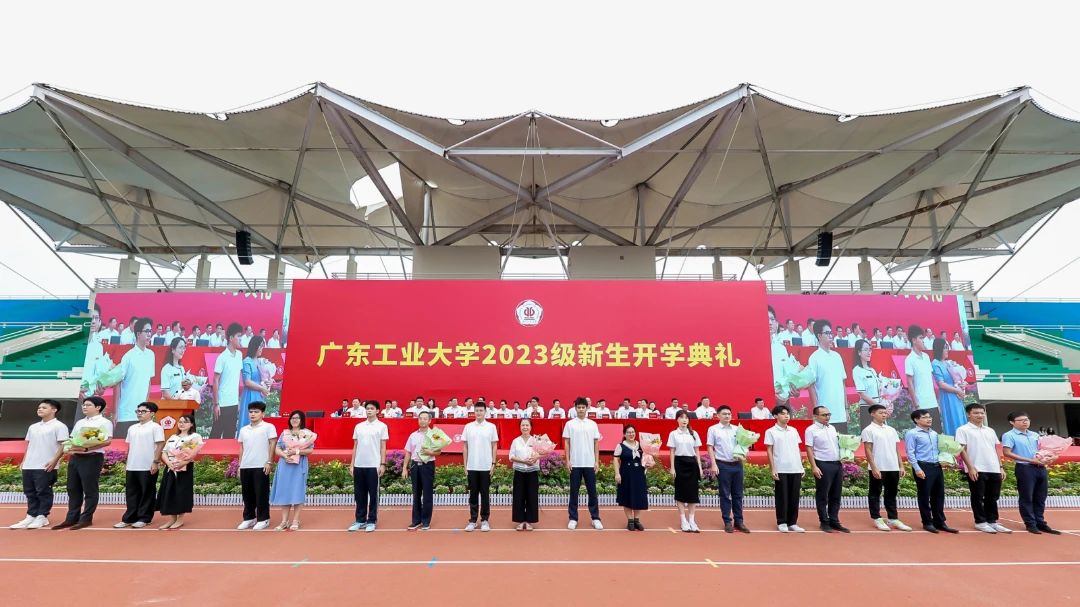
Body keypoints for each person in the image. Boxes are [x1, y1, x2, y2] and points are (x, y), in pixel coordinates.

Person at [53, 397, 113, 530]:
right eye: (83, 405)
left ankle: (86, 518)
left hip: (92, 457)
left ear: (98, 407)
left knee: (89, 489)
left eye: (88, 405)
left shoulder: (105, 422)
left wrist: (87, 448)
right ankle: (71, 518)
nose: (84, 407)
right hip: (75, 457)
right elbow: (72, 438)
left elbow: (107, 441)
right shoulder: (80, 422)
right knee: (73, 488)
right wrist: (69, 448)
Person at [10, 400, 68, 530]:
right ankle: (31, 515)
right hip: (29, 464)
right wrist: (24, 461)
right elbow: (29, 445)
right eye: (39, 407)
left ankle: (42, 516)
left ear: (54, 410)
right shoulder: (33, 427)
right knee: (29, 492)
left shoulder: (59, 426)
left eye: (44, 407)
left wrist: (54, 461)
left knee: (43, 491)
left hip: (45, 465)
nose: (40, 409)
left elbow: (63, 445)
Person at [1002, 411, 1060, 534]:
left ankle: (1040, 522)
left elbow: (1043, 450)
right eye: (1021, 420)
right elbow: (1007, 452)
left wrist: (1051, 457)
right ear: (1012, 422)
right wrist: (1029, 460)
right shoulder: (1009, 435)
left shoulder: (1035, 435)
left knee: (1041, 496)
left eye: (1027, 419)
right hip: (1025, 468)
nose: (1025, 422)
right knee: (1027, 496)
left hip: (1041, 467)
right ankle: (1030, 523)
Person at [956, 404, 1010, 533]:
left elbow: (995, 449)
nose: (980, 415)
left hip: (994, 468)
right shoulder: (963, 430)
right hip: (976, 468)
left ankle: (992, 521)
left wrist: (1000, 467)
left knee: (993, 496)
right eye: (976, 413)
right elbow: (962, 450)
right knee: (978, 496)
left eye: (982, 413)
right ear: (968, 414)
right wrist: (970, 468)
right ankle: (980, 522)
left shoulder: (990, 430)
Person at [905, 409, 958, 533]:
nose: (929, 419)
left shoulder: (934, 433)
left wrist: (949, 460)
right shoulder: (912, 433)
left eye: (929, 417)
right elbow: (910, 453)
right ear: (916, 420)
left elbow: (941, 451)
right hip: (923, 466)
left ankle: (940, 522)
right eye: (924, 417)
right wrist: (917, 469)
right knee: (924, 495)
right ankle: (927, 522)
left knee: (938, 495)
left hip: (937, 466)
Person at [114, 402, 165, 529]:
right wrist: (127, 462)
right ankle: (129, 518)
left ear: (152, 413)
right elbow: (130, 446)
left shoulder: (155, 427)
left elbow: (160, 445)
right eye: (138, 411)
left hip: (148, 465)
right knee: (131, 492)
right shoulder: (132, 428)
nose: (139, 413)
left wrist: (155, 462)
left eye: (143, 411)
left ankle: (144, 518)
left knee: (147, 492)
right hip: (132, 465)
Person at [862, 404, 911, 531]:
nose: (884, 415)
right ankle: (876, 518)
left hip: (893, 467)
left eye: (885, 413)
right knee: (875, 493)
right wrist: (874, 467)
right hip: (878, 467)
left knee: (891, 493)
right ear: (872, 414)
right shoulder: (868, 430)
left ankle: (893, 518)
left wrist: (901, 466)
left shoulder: (891, 430)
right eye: (880, 412)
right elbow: (868, 450)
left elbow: (896, 449)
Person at [804, 406, 848, 533]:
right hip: (822, 463)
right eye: (824, 415)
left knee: (836, 494)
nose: (827, 417)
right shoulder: (811, 430)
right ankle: (824, 521)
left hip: (837, 464)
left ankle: (834, 520)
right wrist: (814, 466)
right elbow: (809, 448)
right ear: (815, 416)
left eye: (829, 414)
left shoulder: (832, 428)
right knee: (823, 495)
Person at [707, 405, 749, 533]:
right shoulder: (713, 429)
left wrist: (744, 453)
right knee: (725, 495)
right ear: (718, 415)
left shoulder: (737, 429)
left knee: (738, 494)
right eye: (724, 414)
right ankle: (727, 521)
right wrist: (713, 464)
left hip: (737, 464)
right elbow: (710, 447)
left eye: (729, 414)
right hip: (723, 465)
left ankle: (739, 521)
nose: (727, 416)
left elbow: (743, 444)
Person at [270, 410, 315, 530]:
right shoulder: (285, 433)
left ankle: (296, 520)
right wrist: (285, 456)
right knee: (285, 491)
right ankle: (284, 521)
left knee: (297, 491)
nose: (294, 420)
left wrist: (297, 451)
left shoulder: (307, 434)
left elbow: (310, 450)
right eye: (292, 418)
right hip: (285, 464)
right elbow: (277, 448)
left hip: (299, 465)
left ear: (302, 420)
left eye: (297, 418)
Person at [348, 401, 389, 532]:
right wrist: (352, 464)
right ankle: (360, 520)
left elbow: (383, 447)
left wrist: (382, 464)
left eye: (372, 408)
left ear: (377, 411)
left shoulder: (382, 426)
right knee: (359, 494)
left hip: (373, 465)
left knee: (373, 494)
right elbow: (355, 446)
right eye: (367, 408)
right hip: (359, 464)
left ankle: (371, 520)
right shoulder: (359, 426)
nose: (369, 410)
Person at [236, 401, 277, 531]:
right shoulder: (243, 429)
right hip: (246, 465)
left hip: (261, 465)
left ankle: (263, 519)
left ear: (262, 413)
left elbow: (273, 444)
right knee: (247, 494)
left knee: (261, 493)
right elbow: (242, 448)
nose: (253, 414)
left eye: (256, 412)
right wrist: (240, 465)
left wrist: (269, 462)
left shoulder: (268, 427)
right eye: (251, 412)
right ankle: (249, 518)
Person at [563, 396, 602, 530]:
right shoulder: (570, 424)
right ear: (575, 408)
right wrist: (568, 460)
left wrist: (596, 461)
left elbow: (596, 443)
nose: (581, 409)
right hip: (575, 463)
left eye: (583, 407)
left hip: (589, 463)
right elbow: (567, 443)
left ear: (586, 408)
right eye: (578, 407)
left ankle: (595, 518)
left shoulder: (592, 424)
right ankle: (573, 518)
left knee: (592, 492)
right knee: (574, 492)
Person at [113, 317, 156, 435]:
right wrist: (116, 412)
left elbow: (148, 381)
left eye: (150, 331)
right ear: (138, 334)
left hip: (142, 414)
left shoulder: (151, 355)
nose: (149, 334)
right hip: (126, 414)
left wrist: (146, 406)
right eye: (146, 331)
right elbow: (117, 382)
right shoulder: (128, 356)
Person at [765, 405, 804, 533]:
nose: (786, 416)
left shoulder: (793, 430)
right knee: (782, 496)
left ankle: (793, 522)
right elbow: (769, 451)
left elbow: (797, 449)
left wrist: (801, 466)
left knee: (794, 497)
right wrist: (773, 469)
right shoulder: (771, 431)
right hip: (781, 468)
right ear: (775, 416)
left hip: (795, 468)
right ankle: (782, 522)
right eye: (783, 413)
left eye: (787, 413)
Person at [157, 414, 199, 530]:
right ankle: (172, 519)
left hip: (184, 468)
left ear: (191, 424)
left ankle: (180, 519)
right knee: (169, 492)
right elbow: (164, 452)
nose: (182, 424)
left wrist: (182, 463)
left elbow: (192, 454)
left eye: (185, 422)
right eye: (180, 422)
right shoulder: (173, 436)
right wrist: (168, 463)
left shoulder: (194, 437)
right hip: (170, 468)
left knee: (181, 493)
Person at [462, 401, 498, 532]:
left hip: (486, 466)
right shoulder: (468, 427)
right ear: (474, 412)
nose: (479, 413)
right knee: (473, 494)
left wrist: (493, 464)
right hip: (472, 466)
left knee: (485, 494)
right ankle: (472, 520)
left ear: (485, 412)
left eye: (481, 410)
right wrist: (465, 465)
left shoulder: (491, 427)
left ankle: (484, 520)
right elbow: (465, 447)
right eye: (476, 411)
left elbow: (494, 446)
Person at [808, 320, 849, 433]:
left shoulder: (837, 356)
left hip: (840, 413)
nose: (831, 336)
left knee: (842, 443)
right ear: (819, 336)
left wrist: (846, 409)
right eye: (827, 333)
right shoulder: (814, 358)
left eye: (831, 333)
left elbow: (843, 383)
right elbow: (811, 385)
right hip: (824, 414)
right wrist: (817, 411)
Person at [403, 411, 441, 530]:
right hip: (415, 466)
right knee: (416, 494)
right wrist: (404, 468)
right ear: (418, 420)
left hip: (427, 465)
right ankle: (416, 520)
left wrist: (430, 452)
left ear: (429, 421)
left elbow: (439, 451)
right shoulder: (413, 435)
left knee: (427, 494)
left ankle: (426, 521)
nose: (422, 421)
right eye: (420, 418)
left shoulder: (434, 434)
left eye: (425, 419)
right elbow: (408, 452)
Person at [668, 409, 703, 532]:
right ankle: (683, 520)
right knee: (680, 493)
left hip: (692, 464)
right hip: (679, 463)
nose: (684, 420)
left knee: (693, 494)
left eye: (686, 418)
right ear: (677, 419)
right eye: (682, 417)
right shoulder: (673, 434)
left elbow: (697, 451)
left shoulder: (694, 433)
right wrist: (672, 468)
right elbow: (672, 451)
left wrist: (700, 467)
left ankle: (692, 520)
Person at [211, 323, 245, 439]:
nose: (240, 339)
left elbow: (237, 379)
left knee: (229, 436)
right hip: (222, 403)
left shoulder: (239, 355)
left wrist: (238, 400)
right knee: (215, 435)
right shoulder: (222, 357)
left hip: (234, 403)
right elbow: (215, 381)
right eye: (238, 336)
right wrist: (216, 404)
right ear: (230, 338)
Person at [613, 424, 648, 531]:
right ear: (624, 434)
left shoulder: (642, 445)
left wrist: (649, 462)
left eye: (633, 432)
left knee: (638, 496)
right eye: (628, 432)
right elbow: (615, 460)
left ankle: (637, 520)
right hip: (626, 474)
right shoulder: (620, 446)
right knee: (627, 496)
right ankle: (630, 521)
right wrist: (617, 474)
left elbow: (646, 458)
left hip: (639, 474)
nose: (631, 434)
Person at [509, 417, 541, 531]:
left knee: (532, 496)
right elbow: (511, 457)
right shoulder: (515, 441)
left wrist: (536, 457)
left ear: (531, 427)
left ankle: (529, 521)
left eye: (527, 425)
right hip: (519, 471)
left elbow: (541, 453)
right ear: (520, 427)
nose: (525, 427)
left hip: (532, 472)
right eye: (523, 425)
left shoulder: (536, 440)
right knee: (519, 496)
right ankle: (520, 520)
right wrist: (523, 461)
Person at [905, 326, 940, 429]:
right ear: (914, 340)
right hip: (921, 404)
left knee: (937, 432)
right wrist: (916, 404)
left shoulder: (926, 357)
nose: (923, 340)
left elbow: (931, 380)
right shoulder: (909, 359)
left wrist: (937, 401)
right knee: (924, 433)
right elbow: (910, 383)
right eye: (920, 338)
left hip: (933, 402)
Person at [932, 338, 965, 435]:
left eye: (947, 347)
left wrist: (961, 384)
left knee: (960, 418)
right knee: (953, 420)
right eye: (944, 348)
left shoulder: (948, 363)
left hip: (956, 395)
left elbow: (955, 378)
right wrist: (957, 391)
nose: (947, 350)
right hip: (948, 396)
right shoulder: (935, 363)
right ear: (939, 348)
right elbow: (941, 384)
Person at [239, 335, 270, 433]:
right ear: (254, 346)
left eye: (262, 346)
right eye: (260, 346)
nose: (261, 349)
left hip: (259, 395)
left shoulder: (259, 361)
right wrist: (262, 388)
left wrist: (267, 382)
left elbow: (261, 378)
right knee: (249, 421)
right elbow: (247, 382)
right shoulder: (247, 361)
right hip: (250, 395)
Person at [852, 339, 883, 424]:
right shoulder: (857, 370)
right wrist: (879, 406)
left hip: (878, 408)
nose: (869, 352)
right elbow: (862, 394)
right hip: (867, 409)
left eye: (870, 350)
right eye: (866, 350)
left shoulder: (872, 370)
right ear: (859, 352)